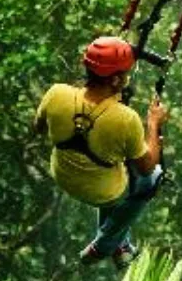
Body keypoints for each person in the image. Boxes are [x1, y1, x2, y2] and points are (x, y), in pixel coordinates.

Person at [34, 36, 168, 268]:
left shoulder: (57, 93)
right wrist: (153, 124)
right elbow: (146, 168)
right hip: (102, 191)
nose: (127, 78)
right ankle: (104, 245)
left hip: (63, 175)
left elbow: (38, 128)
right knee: (153, 179)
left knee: (116, 159)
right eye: (126, 74)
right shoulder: (125, 119)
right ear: (116, 80)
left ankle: (122, 247)